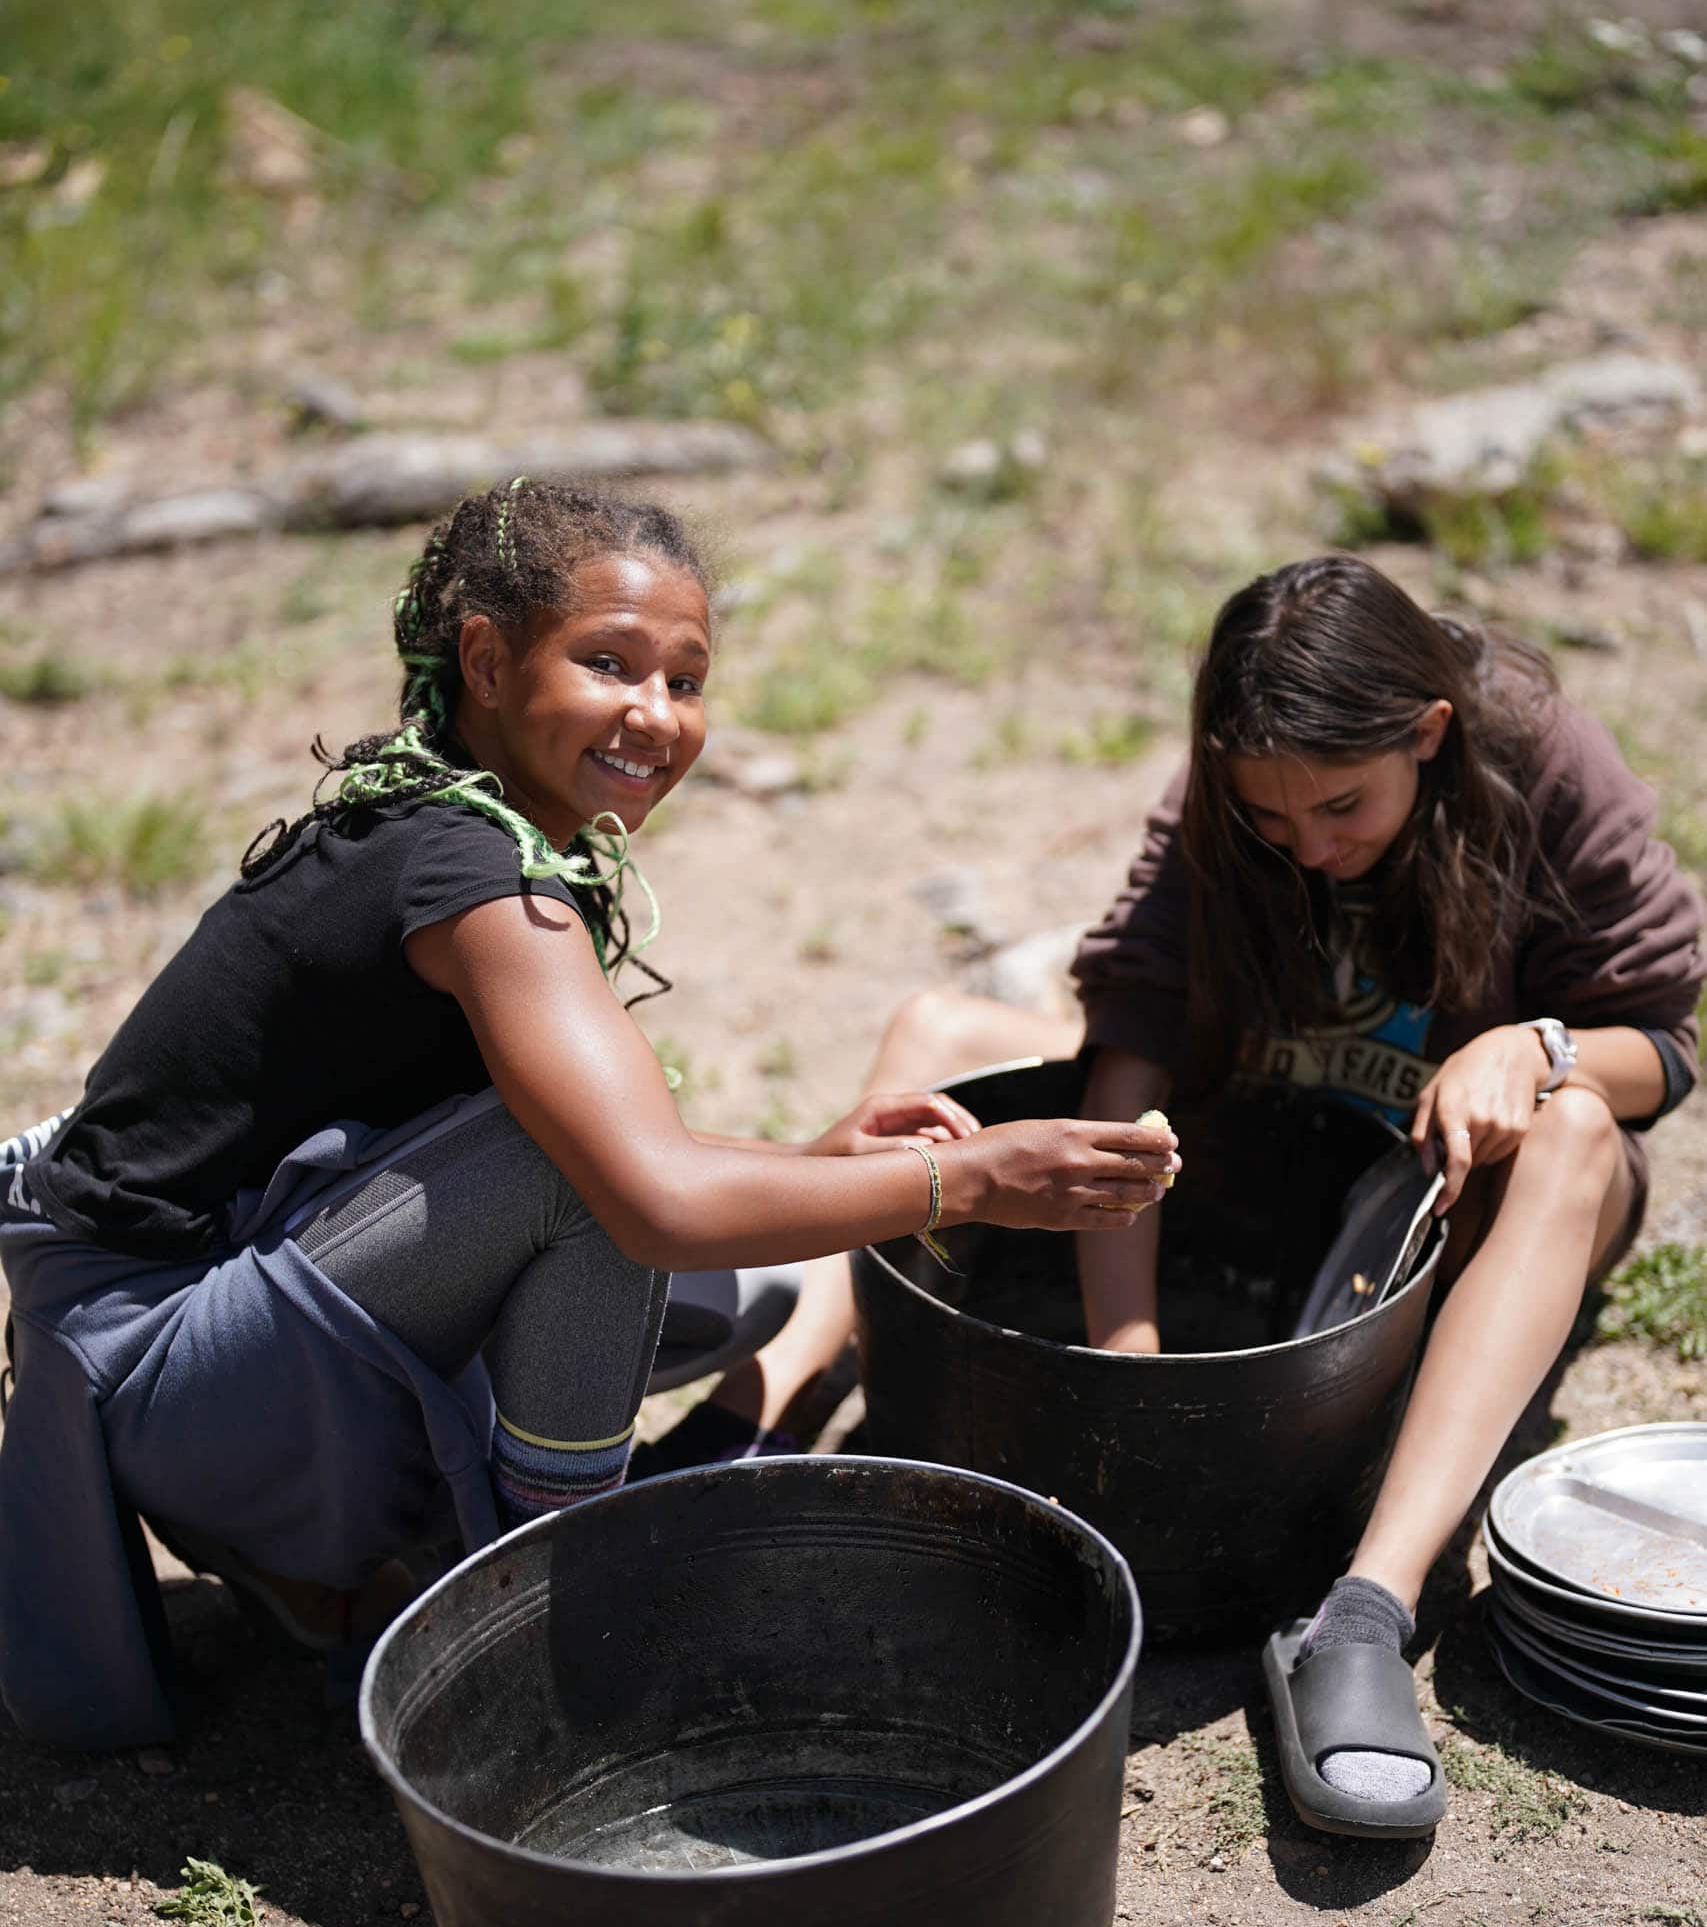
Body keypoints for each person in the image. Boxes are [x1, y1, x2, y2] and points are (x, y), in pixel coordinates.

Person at [0, 478, 1178, 1752]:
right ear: (488, 659)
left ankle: (326, 1569)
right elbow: (641, 1192)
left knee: (744, 1293)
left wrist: (812, 1161)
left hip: (220, 1325)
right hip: (159, 1372)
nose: (656, 716)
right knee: (620, 1211)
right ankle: (543, 1629)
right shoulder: (468, 873)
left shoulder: (449, 815)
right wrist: (976, 1182)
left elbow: (609, 1165)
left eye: (686, 678)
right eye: (609, 663)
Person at [707, 555, 1704, 1840]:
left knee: (1571, 1133)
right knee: (933, 1032)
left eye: (1345, 809)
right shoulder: (1245, 779)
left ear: (1429, 734)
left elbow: (1661, 1050)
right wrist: (1130, 1358)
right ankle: (745, 1429)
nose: (1314, 847)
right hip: (1260, 1138)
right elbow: (1137, 1035)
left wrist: (1541, 1047)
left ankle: (1365, 1614)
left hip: (1457, 1192)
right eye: (1276, 824)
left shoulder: (1541, 762)